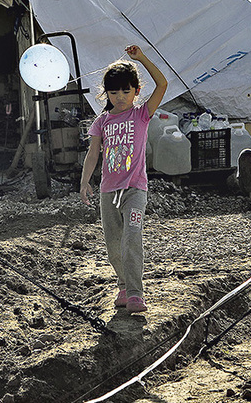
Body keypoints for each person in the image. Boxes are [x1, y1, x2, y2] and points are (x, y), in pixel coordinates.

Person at [79, 45, 167, 313]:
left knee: (132, 237)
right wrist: (84, 182)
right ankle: (124, 286)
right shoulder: (101, 122)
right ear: (106, 93)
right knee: (113, 245)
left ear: (136, 91)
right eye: (114, 92)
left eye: (126, 91)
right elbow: (93, 154)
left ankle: (136, 294)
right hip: (108, 192)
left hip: (134, 190)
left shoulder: (141, 114)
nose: (120, 97)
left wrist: (140, 59)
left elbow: (162, 84)